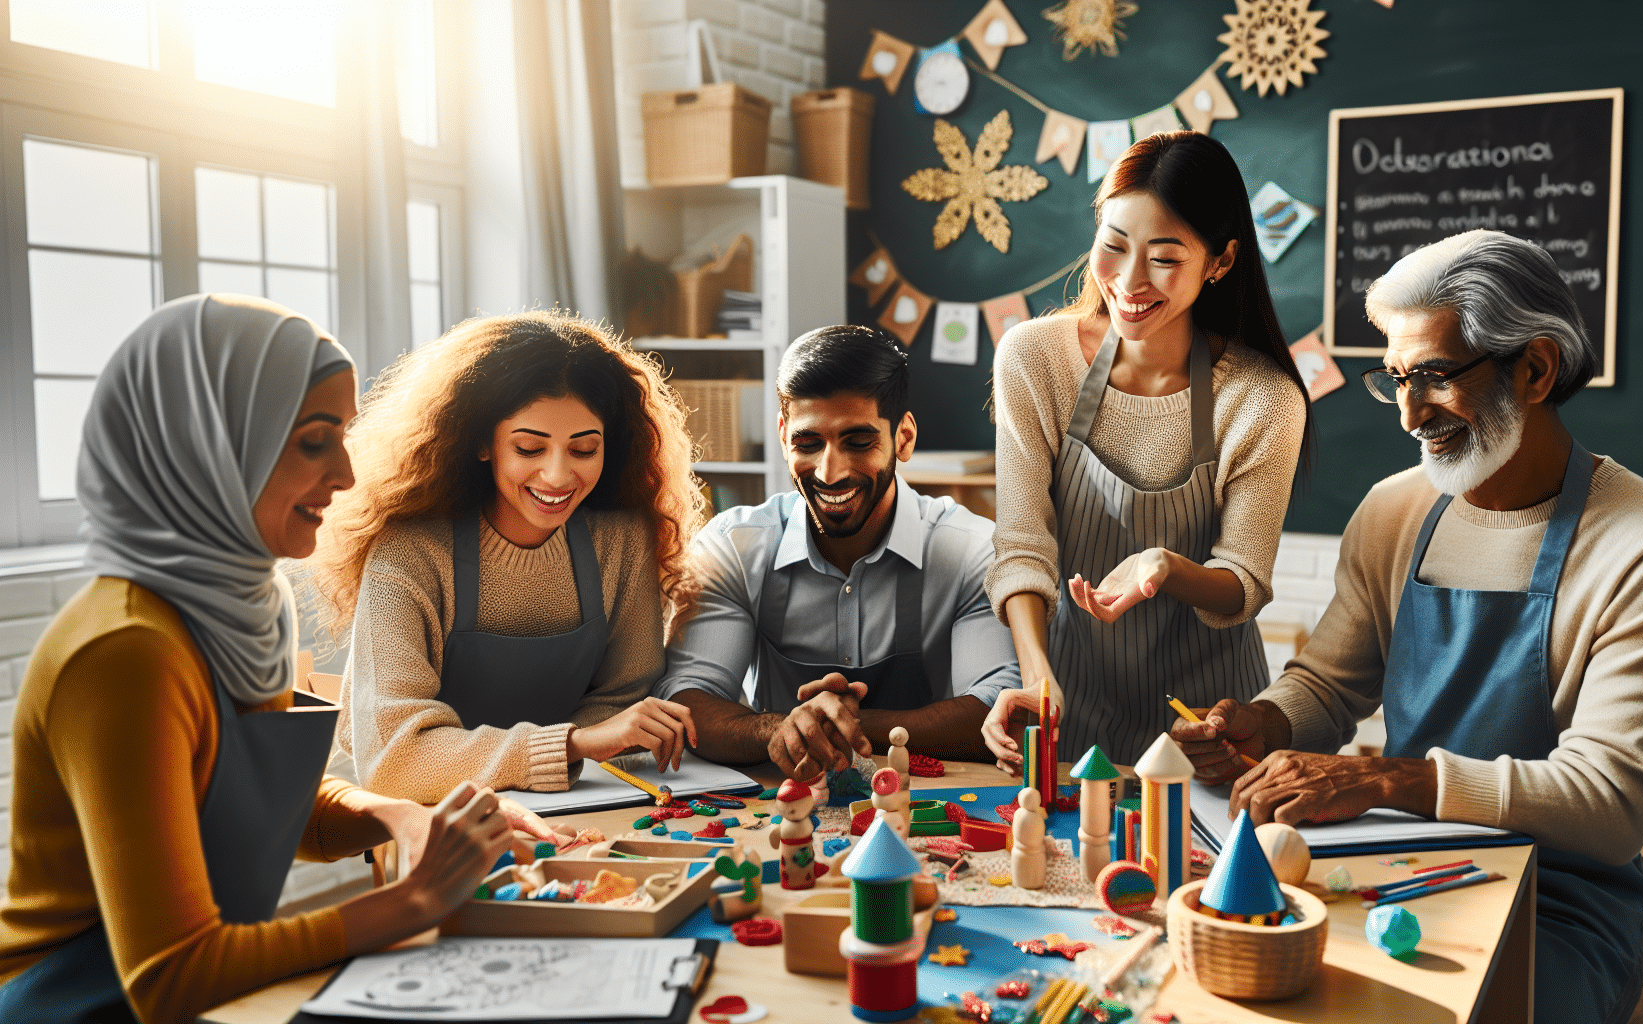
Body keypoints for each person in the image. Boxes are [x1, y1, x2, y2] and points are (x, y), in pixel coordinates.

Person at [1179, 230, 1643, 1024]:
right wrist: (1266, 719)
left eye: (1431, 376)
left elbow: (1608, 806)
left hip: (1560, 901)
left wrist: (1388, 779)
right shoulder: (1394, 510)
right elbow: (1331, 683)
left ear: (1534, 369)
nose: (1407, 413)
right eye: (1395, 377)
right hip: (1398, 861)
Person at [0, 295, 511, 1023]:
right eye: (313, 440)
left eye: (344, 436)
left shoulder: (243, 602)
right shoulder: (126, 652)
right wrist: (415, 900)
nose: (346, 474)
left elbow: (275, 813)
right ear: (205, 446)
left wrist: (401, 814)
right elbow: (169, 978)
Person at [982, 131, 1311, 767]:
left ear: (1219, 261)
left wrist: (1165, 568)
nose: (1129, 281)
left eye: (1165, 257)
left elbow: (1241, 583)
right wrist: (1034, 675)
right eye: (1114, 245)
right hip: (1067, 703)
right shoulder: (1033, 358)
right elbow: (1023, 545)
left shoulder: (1262, 397)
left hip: (1209, 727)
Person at [308, 312, 706, 803]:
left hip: (579, 803)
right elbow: (393, 757)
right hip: (437, 819)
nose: (558, 476)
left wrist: (570, 754)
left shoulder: (622, 538)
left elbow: (626, 698)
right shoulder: (408, 553)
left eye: (584, 449)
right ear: (480, 441)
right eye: (529, 447)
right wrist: (571, 745)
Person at [653, 325, 1022, 779]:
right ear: (783, 434)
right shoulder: (735, 547)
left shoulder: (971, 551)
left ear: (903, 438)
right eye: (809, 443)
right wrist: (778, 729)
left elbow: (1003, 711)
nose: (830, 472)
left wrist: (832, 725)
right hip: (782, 805)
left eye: (858, 442)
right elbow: (687, 699)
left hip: (932, 800)